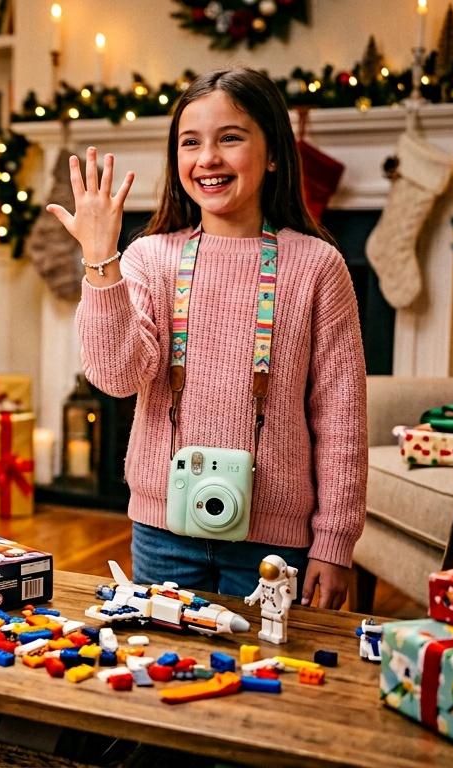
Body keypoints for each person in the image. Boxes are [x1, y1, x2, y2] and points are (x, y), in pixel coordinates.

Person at [46, 67, 366, 608]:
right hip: (162, 532)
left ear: (272, 155)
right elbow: (117, 377)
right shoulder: (148, 257)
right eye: (190, 142)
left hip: (273, 543)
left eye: (231, 138)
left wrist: (335, 543)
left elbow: (342, 416)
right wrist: (102, 261)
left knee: (268, 679)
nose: (207, 159)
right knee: (164, 676)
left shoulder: (318, 266)